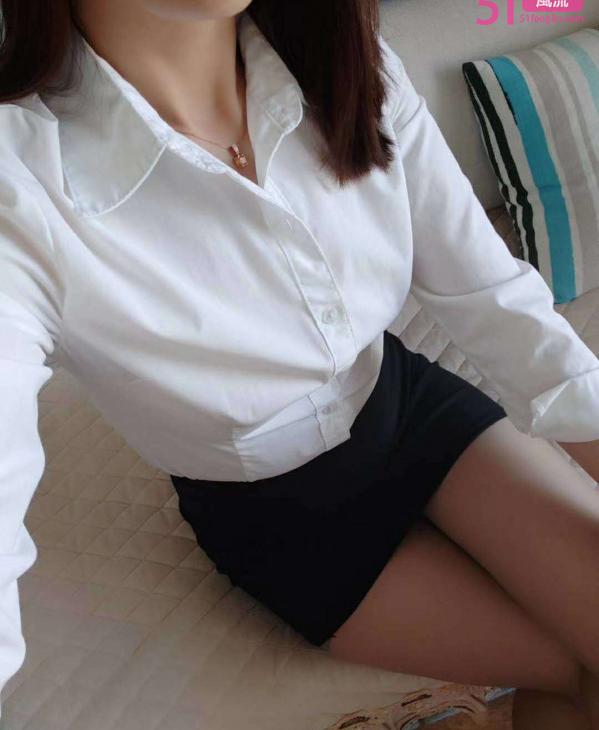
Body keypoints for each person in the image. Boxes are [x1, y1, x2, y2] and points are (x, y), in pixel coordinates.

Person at [1, 1, 599, 727]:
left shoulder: (349, 63)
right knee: (574, 669)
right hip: (285, 519)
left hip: (412, 407)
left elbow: (491, 298)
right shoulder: (20, 184)